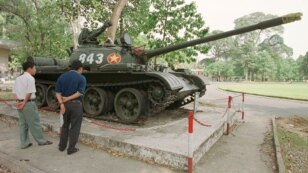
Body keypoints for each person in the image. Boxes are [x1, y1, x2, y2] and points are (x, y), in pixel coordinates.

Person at [12, 61, 53, 149]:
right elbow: (29, 92)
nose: (35, 70)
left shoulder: (18, 78)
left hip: (20, 103)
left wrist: (18, 101)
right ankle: (41, 141)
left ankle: (24, 143)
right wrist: (24, 102)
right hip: (28, 103)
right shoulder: (30, 78)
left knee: (23, 124)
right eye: (34, 68)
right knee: (35, 122)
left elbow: (14, 92)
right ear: (30, 69)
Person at [55, 60, 86, 155]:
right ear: (80, 68)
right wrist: (68, 98)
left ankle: (62, 146)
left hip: (64, 106)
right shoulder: (81, 78)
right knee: (75, 127)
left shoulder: (62, 76)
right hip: (76, 105)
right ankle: (71, 148)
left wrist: (61, 103)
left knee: (65, 126)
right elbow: (79, 93)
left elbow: (57, 92)